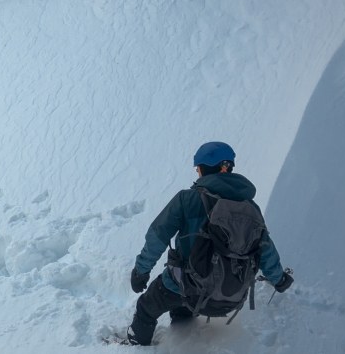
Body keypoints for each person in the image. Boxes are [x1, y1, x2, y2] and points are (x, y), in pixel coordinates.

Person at [123, 141, 292, 346]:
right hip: (231, 295)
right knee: (184, 300)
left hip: (186, 288)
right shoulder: (250, 208)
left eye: (198, 169)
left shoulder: (187, 199)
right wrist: (279, 279)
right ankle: (181, 337)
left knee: (147, 307)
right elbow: (266, 249)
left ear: (204, 168)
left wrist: (141, 272)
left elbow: (157, 236)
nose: (197, 173)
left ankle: (136, 346)